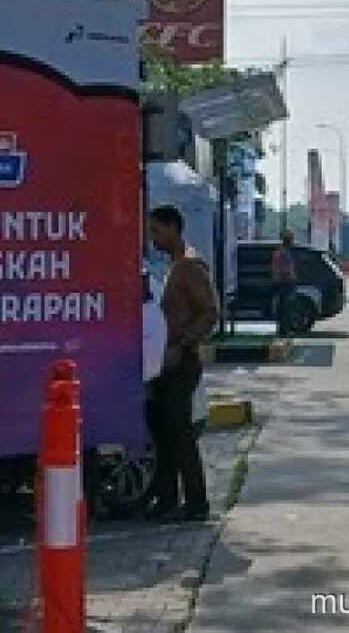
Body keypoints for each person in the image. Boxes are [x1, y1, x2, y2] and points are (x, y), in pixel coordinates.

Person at [145, 205, 218, 522]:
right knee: (162, 432)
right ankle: (166, 499)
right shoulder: (172, 265)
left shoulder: (189, 265)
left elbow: (210, 313)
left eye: (157, 232)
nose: (153, 239)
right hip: (164, 362)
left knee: (179, 432)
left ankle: (197, 503)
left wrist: (185, 342)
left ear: (174, 228)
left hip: (181, 360)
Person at [272, 229, 299, 336]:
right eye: (291, 239)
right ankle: (284, 330)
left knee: (286, 307)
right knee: (285, 307)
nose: (292, 241)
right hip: (284, 284)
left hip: (284, 283)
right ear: (287, 240)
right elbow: (283, 270)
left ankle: (284, 329)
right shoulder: (282, 253)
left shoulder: (284, 252)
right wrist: (290, 276)